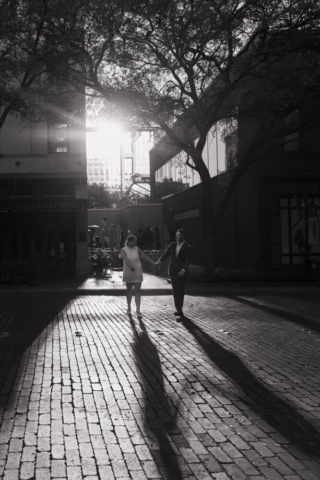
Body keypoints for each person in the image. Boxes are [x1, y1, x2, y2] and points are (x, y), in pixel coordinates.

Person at [156, 229, 191, 318]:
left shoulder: (187, 247)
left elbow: (187, 260)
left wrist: (183, 270)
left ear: (183, 236)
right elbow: (166, 254)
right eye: (176, 235)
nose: (176, 237)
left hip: (182, 272)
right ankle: (178, 309)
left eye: (178, 235)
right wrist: (159, 261)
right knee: (176, 290)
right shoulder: (172, 245)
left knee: (181, 290)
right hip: (173, 271)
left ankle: (180, 308)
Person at [120, 235, 156, 317]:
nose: (136, 243)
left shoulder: (137, 249)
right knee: (129, 291)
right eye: (135, 241)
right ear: (130, 241)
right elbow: (125, 259)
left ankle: (138, 310)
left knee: (137, 291)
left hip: (138, 272)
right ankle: (129, 307)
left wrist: (153, 263)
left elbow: (144, 257)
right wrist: (130, 266)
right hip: (128, 272)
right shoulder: (123, 250)